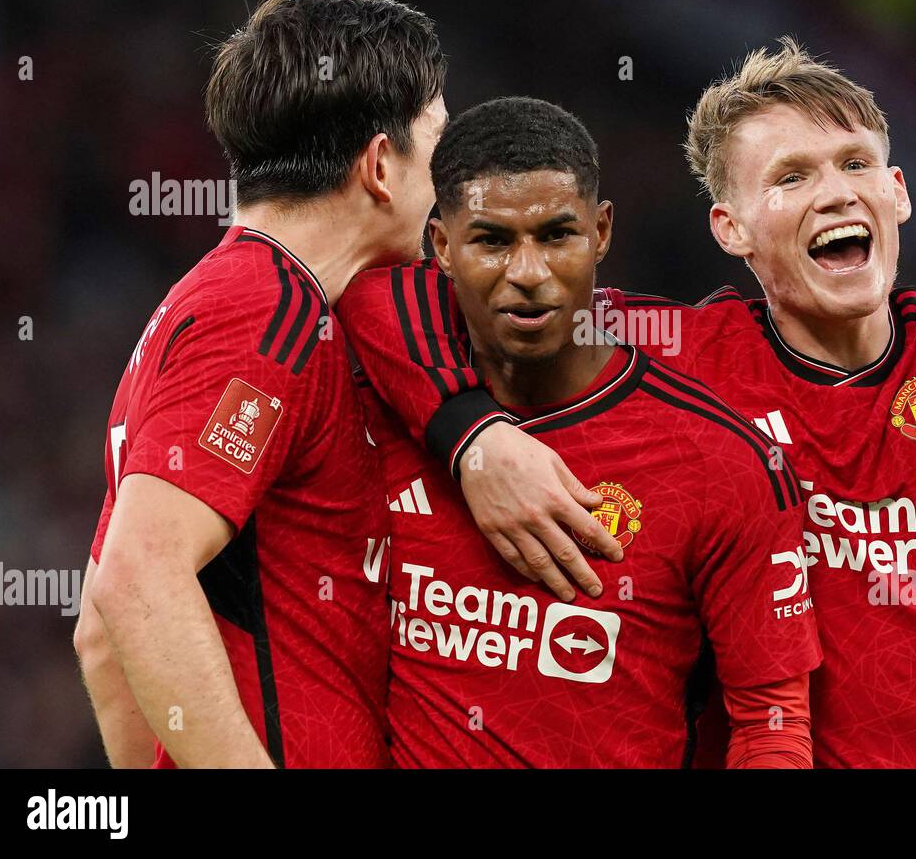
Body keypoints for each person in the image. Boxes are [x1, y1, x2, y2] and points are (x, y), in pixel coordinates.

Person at [365, 0, 916, 766]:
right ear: (731, 230)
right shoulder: (675, 354)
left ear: (898, 194)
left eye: (854, 164)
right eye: (791, 177)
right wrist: (472, 437)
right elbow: (411, 296)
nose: (835, 193)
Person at [339, 97, 822, 767]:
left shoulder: (721, 463)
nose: (529, 275)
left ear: (601, 232)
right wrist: (472, 438)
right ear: (442, 246)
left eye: (556, 235)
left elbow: (772, 721)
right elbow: (365, 292)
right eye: (492, 240)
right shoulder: (379, 409)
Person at [73, 0, 450, 767]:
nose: (445, 186)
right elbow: (138, 580)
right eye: (437, 144)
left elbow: (103, 639)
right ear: (382, 164)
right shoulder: (262, 310)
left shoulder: (220, 298)